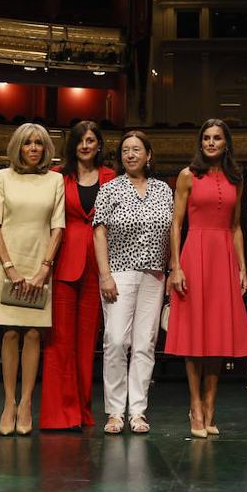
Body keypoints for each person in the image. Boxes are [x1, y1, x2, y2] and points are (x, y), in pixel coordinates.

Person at [165, 119, 247, 439]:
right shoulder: (189, 176)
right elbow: (176, 224)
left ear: (226, 143)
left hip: (224, 257)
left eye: (217, 138)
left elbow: (236, 227)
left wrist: (243, 267)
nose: (211, 143)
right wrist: (175, 266)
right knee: (194, 336)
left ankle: (211, 405)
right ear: (200, 143)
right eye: (206, 138)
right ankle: (195, 405)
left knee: (217, 336)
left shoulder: (235, 178)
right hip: (194, 254)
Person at [0, 122, 65, 436]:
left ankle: (26, 403)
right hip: (7, 260)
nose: (33, 148)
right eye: (28, 143)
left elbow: (58, 226)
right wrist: (9, 266)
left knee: (33, 333)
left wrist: (45, 268)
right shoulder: (3, 176)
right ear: (17, 147)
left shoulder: (55, 180)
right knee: (10, 334)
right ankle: (8, 402)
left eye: (39, 144)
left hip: (40, 261)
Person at [92, 131, 173, 435]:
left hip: (154, 274)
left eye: (136, 149)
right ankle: (115, 411)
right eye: (125, 150)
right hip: (119, 272)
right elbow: (99, 232)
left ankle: (137, 410)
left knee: (144, 344)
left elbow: (173, 231)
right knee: (115, 340)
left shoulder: (164, 190)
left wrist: (172, 267)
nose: (130, 154)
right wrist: (104, 274)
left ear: (148, 155)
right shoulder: (110, 189)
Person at [42, 121, 115, 430]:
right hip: (64, 262)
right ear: (72, 146)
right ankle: (59, 414)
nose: (86, 145)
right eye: (80, 141)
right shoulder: (58, 176)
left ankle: (82, 412)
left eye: (91, 140)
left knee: (87, 343)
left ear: (99, 144)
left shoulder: (112, 177)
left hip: (99, 264)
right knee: (59, 342)